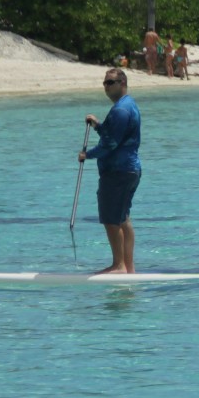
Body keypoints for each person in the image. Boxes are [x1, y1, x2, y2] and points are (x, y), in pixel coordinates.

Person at [80, 67, 141, 273]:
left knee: (111, 218)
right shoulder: (125, 106)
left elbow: (110, 144)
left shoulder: (121, 110)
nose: (106, 87)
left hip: (118, 172)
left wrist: (87, 155)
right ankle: (129, 268)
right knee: (122, 217)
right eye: (104, 83)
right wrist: (97, 125)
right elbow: (111, 133)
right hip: (128, 170)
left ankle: (119, 265)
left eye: (110, 83)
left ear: (122, 83)